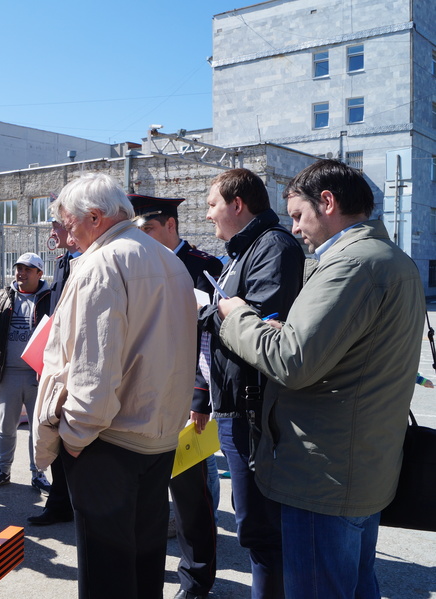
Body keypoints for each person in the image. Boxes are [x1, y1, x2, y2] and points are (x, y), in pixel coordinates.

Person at [216, 159, 425, 599]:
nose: (293, 229)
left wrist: (237, 318)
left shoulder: (351, 265)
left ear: (326, 202)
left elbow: (293, 362)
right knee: (354, 585)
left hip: (323, 474)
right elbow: (346, 350)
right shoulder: (390, 259)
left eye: (297, 215)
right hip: (357, 464)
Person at [32, 173, 197, 598]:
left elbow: (94, 368)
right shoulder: (167, 258)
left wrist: (75, 435)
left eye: (67, 223)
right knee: (143, 565)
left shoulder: (103, 264)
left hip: (109, 442)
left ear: (94, 216)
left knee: (107, 574)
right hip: (157, 437)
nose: (65, 235)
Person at [198, 168, 305, 599]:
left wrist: (205, 313)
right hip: (236, 404)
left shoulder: (273, 246)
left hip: (254, 409)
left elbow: (261, 323)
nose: (208, 216)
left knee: (263, 533)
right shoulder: (244, 251)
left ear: (237, 204)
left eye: (212, 205)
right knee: (255, 529)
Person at [131, 193, 222, 599]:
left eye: (149, 229)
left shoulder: (203, 268)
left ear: (171, 224)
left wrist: (200, 397)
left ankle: (196, 581)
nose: (144, 238)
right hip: (145, 397)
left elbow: (209, 340)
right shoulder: (137, 266)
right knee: (146, 495)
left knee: (190, 499)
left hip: (188, 400)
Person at [0, 252, 53, 493]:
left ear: (39, 273)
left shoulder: (50, 298)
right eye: (18, 268)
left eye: (28, 269)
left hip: (38, 375)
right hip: (8, 373)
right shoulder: (4, 296)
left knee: (38, 428)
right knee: (5, 427)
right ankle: (2, 470)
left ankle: (39, 473)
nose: (21, 273)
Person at [27, 214, 80, 527]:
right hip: (55, 362)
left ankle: (78, 502)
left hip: (79, 365)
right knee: (56, 432)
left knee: (79, 436)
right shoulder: (63, 262)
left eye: (56, 225)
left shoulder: (93, 261)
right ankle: (60, 504)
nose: (51, 231)